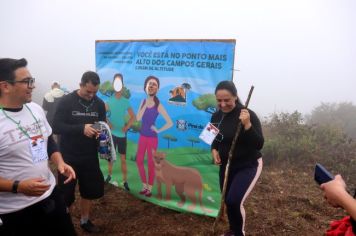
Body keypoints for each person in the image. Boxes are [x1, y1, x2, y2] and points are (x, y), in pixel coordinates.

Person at [0, 58, 76, 235]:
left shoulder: (35, 109)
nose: (32, 86)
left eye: (32, 80)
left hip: (50, 195)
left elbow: (48, 140)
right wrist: (17, 186)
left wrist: (60, 162)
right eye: (27, 81)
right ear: (5, 86)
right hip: (15, 211)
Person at [53, 71, 106, 233]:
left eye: (94, 92)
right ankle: (63, 222)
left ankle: (85, 220)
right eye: (88, 91)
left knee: (89, 191)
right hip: (68, 156)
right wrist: (81, 128)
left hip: (89, 155)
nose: (91, 95)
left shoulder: (99, 103)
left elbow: (101, 125)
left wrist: (99, 134)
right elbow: (56, 126)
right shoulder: (66, 101)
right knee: (65, 194)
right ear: (81, 84)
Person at [210, 80, 264, 236]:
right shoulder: (216, 115)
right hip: (226, 166)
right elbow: (212, 139)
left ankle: (239, 233)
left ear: (235, 97)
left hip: (248, 164)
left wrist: (247, 125)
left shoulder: (247, 114)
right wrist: (213, 150)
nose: (223, 104)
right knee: (227, 201)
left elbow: (259, 144)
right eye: (219, 100)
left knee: (234, 201)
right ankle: (232, 231)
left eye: (227, 100)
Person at [136, 75, 173, 197]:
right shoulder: (143, 101)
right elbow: (138, 118)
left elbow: (170, 122)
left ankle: (150, 189)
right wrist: (145, 104)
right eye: (150, 84)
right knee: (139, 160)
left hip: (152, 138)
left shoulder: (158, 105)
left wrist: (158, 130)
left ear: (157, 89)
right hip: (142, 136)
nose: (152, 86)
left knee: (151, 163)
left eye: (154, 84)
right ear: (146, 86)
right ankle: (144, 186)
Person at [105, 73, 135, 191]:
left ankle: (125, 181)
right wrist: (108, 123)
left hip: (122, 135)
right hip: (112, 134)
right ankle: (109, 175)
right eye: (115, 82)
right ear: (113, 85)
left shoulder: (125, 101)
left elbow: (133, 116)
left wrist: (127, 126)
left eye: (120, 83)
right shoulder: (108, 100)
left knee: (123, 159)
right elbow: (103, 114)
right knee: (111, 157)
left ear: (122, 85)